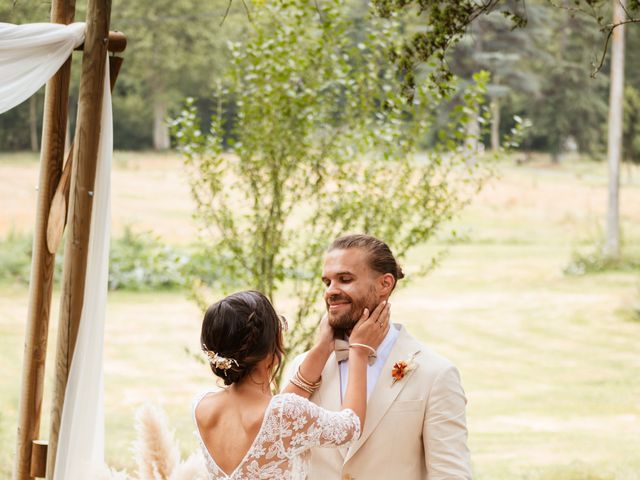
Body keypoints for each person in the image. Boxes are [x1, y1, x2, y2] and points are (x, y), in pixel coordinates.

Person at [285, 234, 472, 479]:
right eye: (327, 282)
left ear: (385, 284)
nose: (331, 291)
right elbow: (273, 445)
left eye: (345, 279)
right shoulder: (304, 367)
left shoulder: (435, 374)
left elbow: (450, 474)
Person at [193, 290, 390, 479]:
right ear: (274, 340)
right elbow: (350, 427)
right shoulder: (284, 413)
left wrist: (323, 347)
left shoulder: (202, 406)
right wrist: (359, 351)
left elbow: (272, 420)